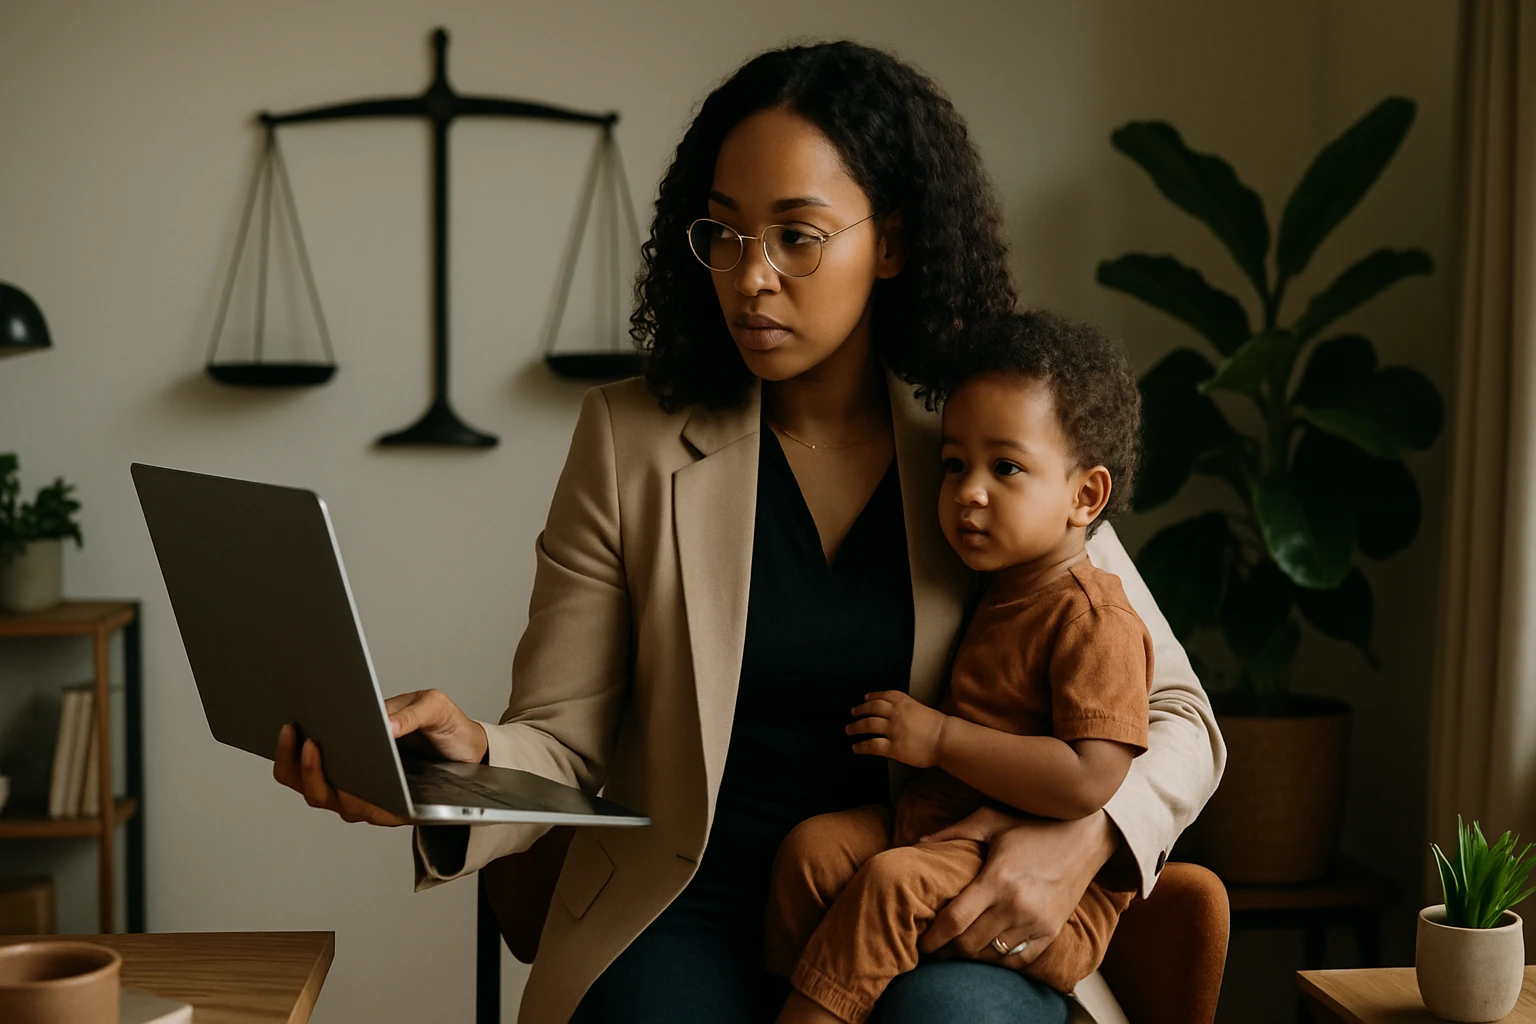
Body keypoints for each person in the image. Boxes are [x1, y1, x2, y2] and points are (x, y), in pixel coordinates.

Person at [272, 40, 1224, 1024]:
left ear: (892, 244)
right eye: (724, 234)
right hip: (691, 902)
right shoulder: (629, 441)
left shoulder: (979, 445)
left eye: (796, 236)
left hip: (924, 887)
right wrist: (450, 767)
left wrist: (1086, 835)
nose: (750, 277)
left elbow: (1178, 715)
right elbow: (560, 739)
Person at [766, 311, 1153, 1024]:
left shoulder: (1094, 619)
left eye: (1005, 468)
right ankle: (816, 996)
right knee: (810, 853)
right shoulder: (998, 586)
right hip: (937, 829)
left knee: (889, 885)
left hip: (1034, 883)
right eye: (953, 464)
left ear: (1085, 497)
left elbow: (1090, 777)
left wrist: (940, 739)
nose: (969, 491)